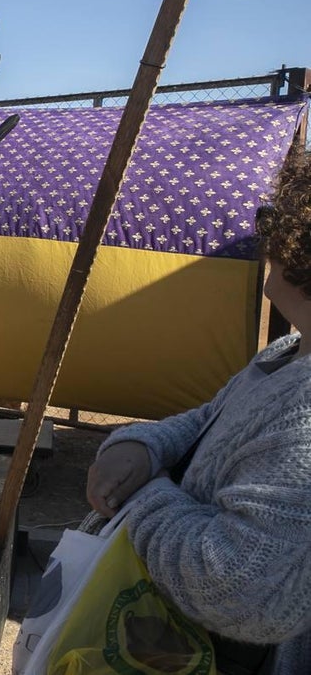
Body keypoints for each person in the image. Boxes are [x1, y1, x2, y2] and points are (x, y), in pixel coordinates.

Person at [86, 152, 311, 673]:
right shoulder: (286, 354)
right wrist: (141, 447)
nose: (266, 233)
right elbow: (209, 420)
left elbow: (241, 590)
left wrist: (143, 495)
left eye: (277, 219)